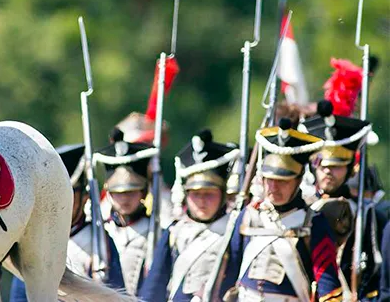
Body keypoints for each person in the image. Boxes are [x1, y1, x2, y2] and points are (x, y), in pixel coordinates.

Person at [219, 118, 343, 302]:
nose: (274, 187)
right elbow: (229, 273)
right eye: (269, 178)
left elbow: (329, 289)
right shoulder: (248, 215)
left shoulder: (313, 222)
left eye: (283, 180)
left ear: (299, 178)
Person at [8, 144, 124, 301]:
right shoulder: (35, 242)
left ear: (85, 197)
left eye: (69, 194)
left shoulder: (100, 242)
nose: (59, 203)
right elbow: (20, 297)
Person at [301, 100, 388, 301]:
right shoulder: (301, 210)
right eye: (321, 165)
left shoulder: (370, 216)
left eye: (337, 165)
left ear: (351, 168)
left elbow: (379, 279)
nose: (328, 171)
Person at [139, 129, 238, 302]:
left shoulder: (234, 229)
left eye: (209, 194)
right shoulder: (175, 231)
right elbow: (154, 286)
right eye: (195, 194)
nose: (201, 201)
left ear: (223, 194)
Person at [93, 130, 156, 296]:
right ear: (109, 193)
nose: (125, 199)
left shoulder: (156, 231)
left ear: (143, 192)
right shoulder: (100, 231)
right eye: (118, 193)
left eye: (131, 192)